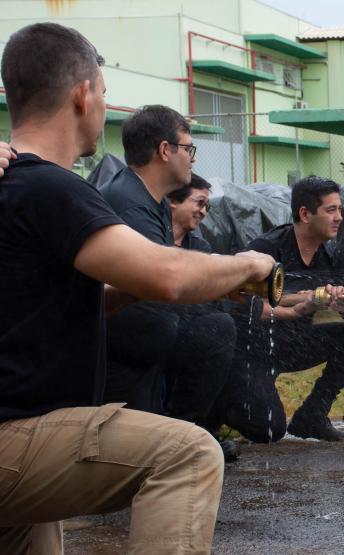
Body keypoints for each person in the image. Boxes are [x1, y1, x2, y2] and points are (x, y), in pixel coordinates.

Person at [0, 22, 275, 552]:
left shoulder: (15, 186)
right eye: (103, 91)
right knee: (189, 455)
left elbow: (40, 310)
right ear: (83, 95)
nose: (105, 105)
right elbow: (168, 274)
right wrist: (246, 265)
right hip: (20, 436)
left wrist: (125, 293)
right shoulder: (49, 186)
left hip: (20, 435)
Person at [99, 106, 238, 460]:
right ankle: (184, 431)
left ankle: (180, 433)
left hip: (146, 335)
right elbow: (158, 283)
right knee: (216, 330)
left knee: (217, 319)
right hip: (123, 340)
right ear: (165, 151)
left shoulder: (151, 201)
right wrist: (236, 269)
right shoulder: (130, 204)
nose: (192, 159)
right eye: (188, 149)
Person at [215, 176, 344, 443]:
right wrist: (303, 302)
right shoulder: (267, 250)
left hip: (295, 344)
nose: (339, 218)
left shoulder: (333, 255)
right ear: (305, 213)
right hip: (254, 351)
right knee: (268, 430)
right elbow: (242, 305)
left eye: (340, 210)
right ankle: (219, 407)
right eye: (330, 210)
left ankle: (313, 414)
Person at [169, 172, 214, 252]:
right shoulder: (150, 236)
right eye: (200, 202)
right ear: (174, 201)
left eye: (206, 206)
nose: (203, 212)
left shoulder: (200, 248)